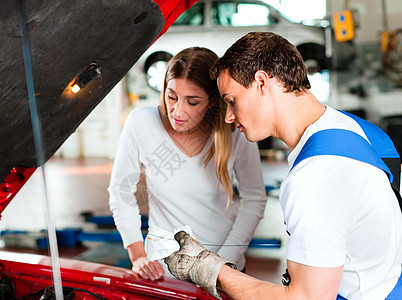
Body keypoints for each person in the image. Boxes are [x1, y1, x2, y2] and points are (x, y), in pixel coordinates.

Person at [164, 32, 402, 299]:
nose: (228, 116)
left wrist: (210, 269)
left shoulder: (314, 179)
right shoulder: (358, 129)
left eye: (231, 100)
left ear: (262, 82)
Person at [108, 47, 267, 280]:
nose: (177, 111)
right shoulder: (141, 123)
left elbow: (255, 199)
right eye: (171, 96)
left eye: (192, 102)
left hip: (225, 269)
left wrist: (221, 264)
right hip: (164, 272)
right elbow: (120, 192)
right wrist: (137, 254)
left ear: (213, 101)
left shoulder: (235, 132)